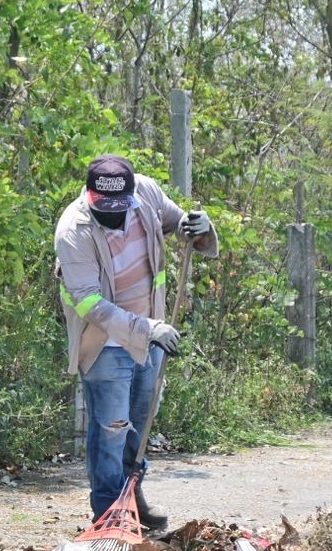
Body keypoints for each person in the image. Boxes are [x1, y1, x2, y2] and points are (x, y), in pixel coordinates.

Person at [54, 154, 218, 527]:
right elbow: (90, 303)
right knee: (111, 427)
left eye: (120, 208)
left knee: (140, 426)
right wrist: (146, 329)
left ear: (132, 194)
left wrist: (202, 228)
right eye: (104, 209)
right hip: (105, 340)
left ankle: (132, 497)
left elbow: (181, 224)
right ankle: (108, 516)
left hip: (150, 334)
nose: (113, 216)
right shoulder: (73, 229)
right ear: (90, 196)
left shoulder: (147, 193)